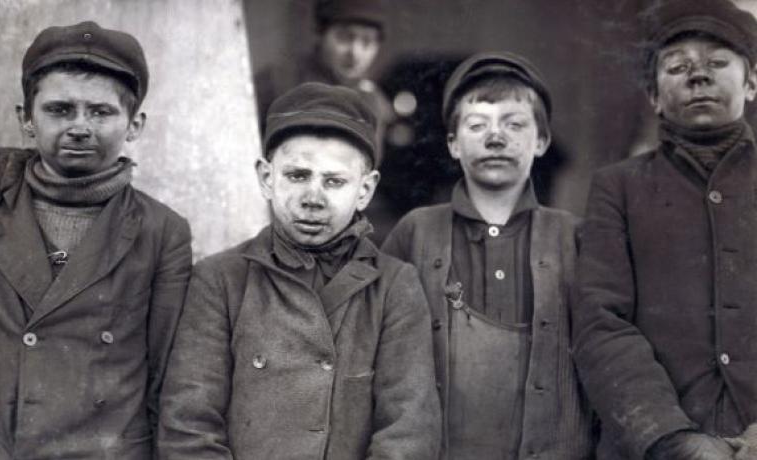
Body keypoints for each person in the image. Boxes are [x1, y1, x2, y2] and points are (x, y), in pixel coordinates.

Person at [157, 82, 440, 459]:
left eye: (334, 181)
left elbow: (408, 434)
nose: (313, 198)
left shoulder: (394, 287)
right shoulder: (220, 280)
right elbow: (189, 427)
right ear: (265, 177)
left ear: (365, 190)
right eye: (297, 175)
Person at [0, 21, 192, 459]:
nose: (80, 127)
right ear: (26, 119)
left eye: (101, 112)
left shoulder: (162, 231)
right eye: (60, 109)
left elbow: (166, 373)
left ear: (135, 124)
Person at [382, 53, 595, 460]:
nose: (495, 138)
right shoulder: (416, 232)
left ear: (542, 141)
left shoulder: (576, 237)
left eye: (514, 124)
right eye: (477, 125)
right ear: (453, 144)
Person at [573, 0, 757, 458]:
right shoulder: (618, 187)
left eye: (717, 63)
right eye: (677, 67)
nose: (698, 76)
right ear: (653, 96)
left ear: (752, 81)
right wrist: (669, 437)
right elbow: (602, 324)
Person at [254, 0, 394, 149]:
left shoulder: (373, 101)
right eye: (344, 37)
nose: (355, 53)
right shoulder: (277, 81)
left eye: (367, 42)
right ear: (321, 34)